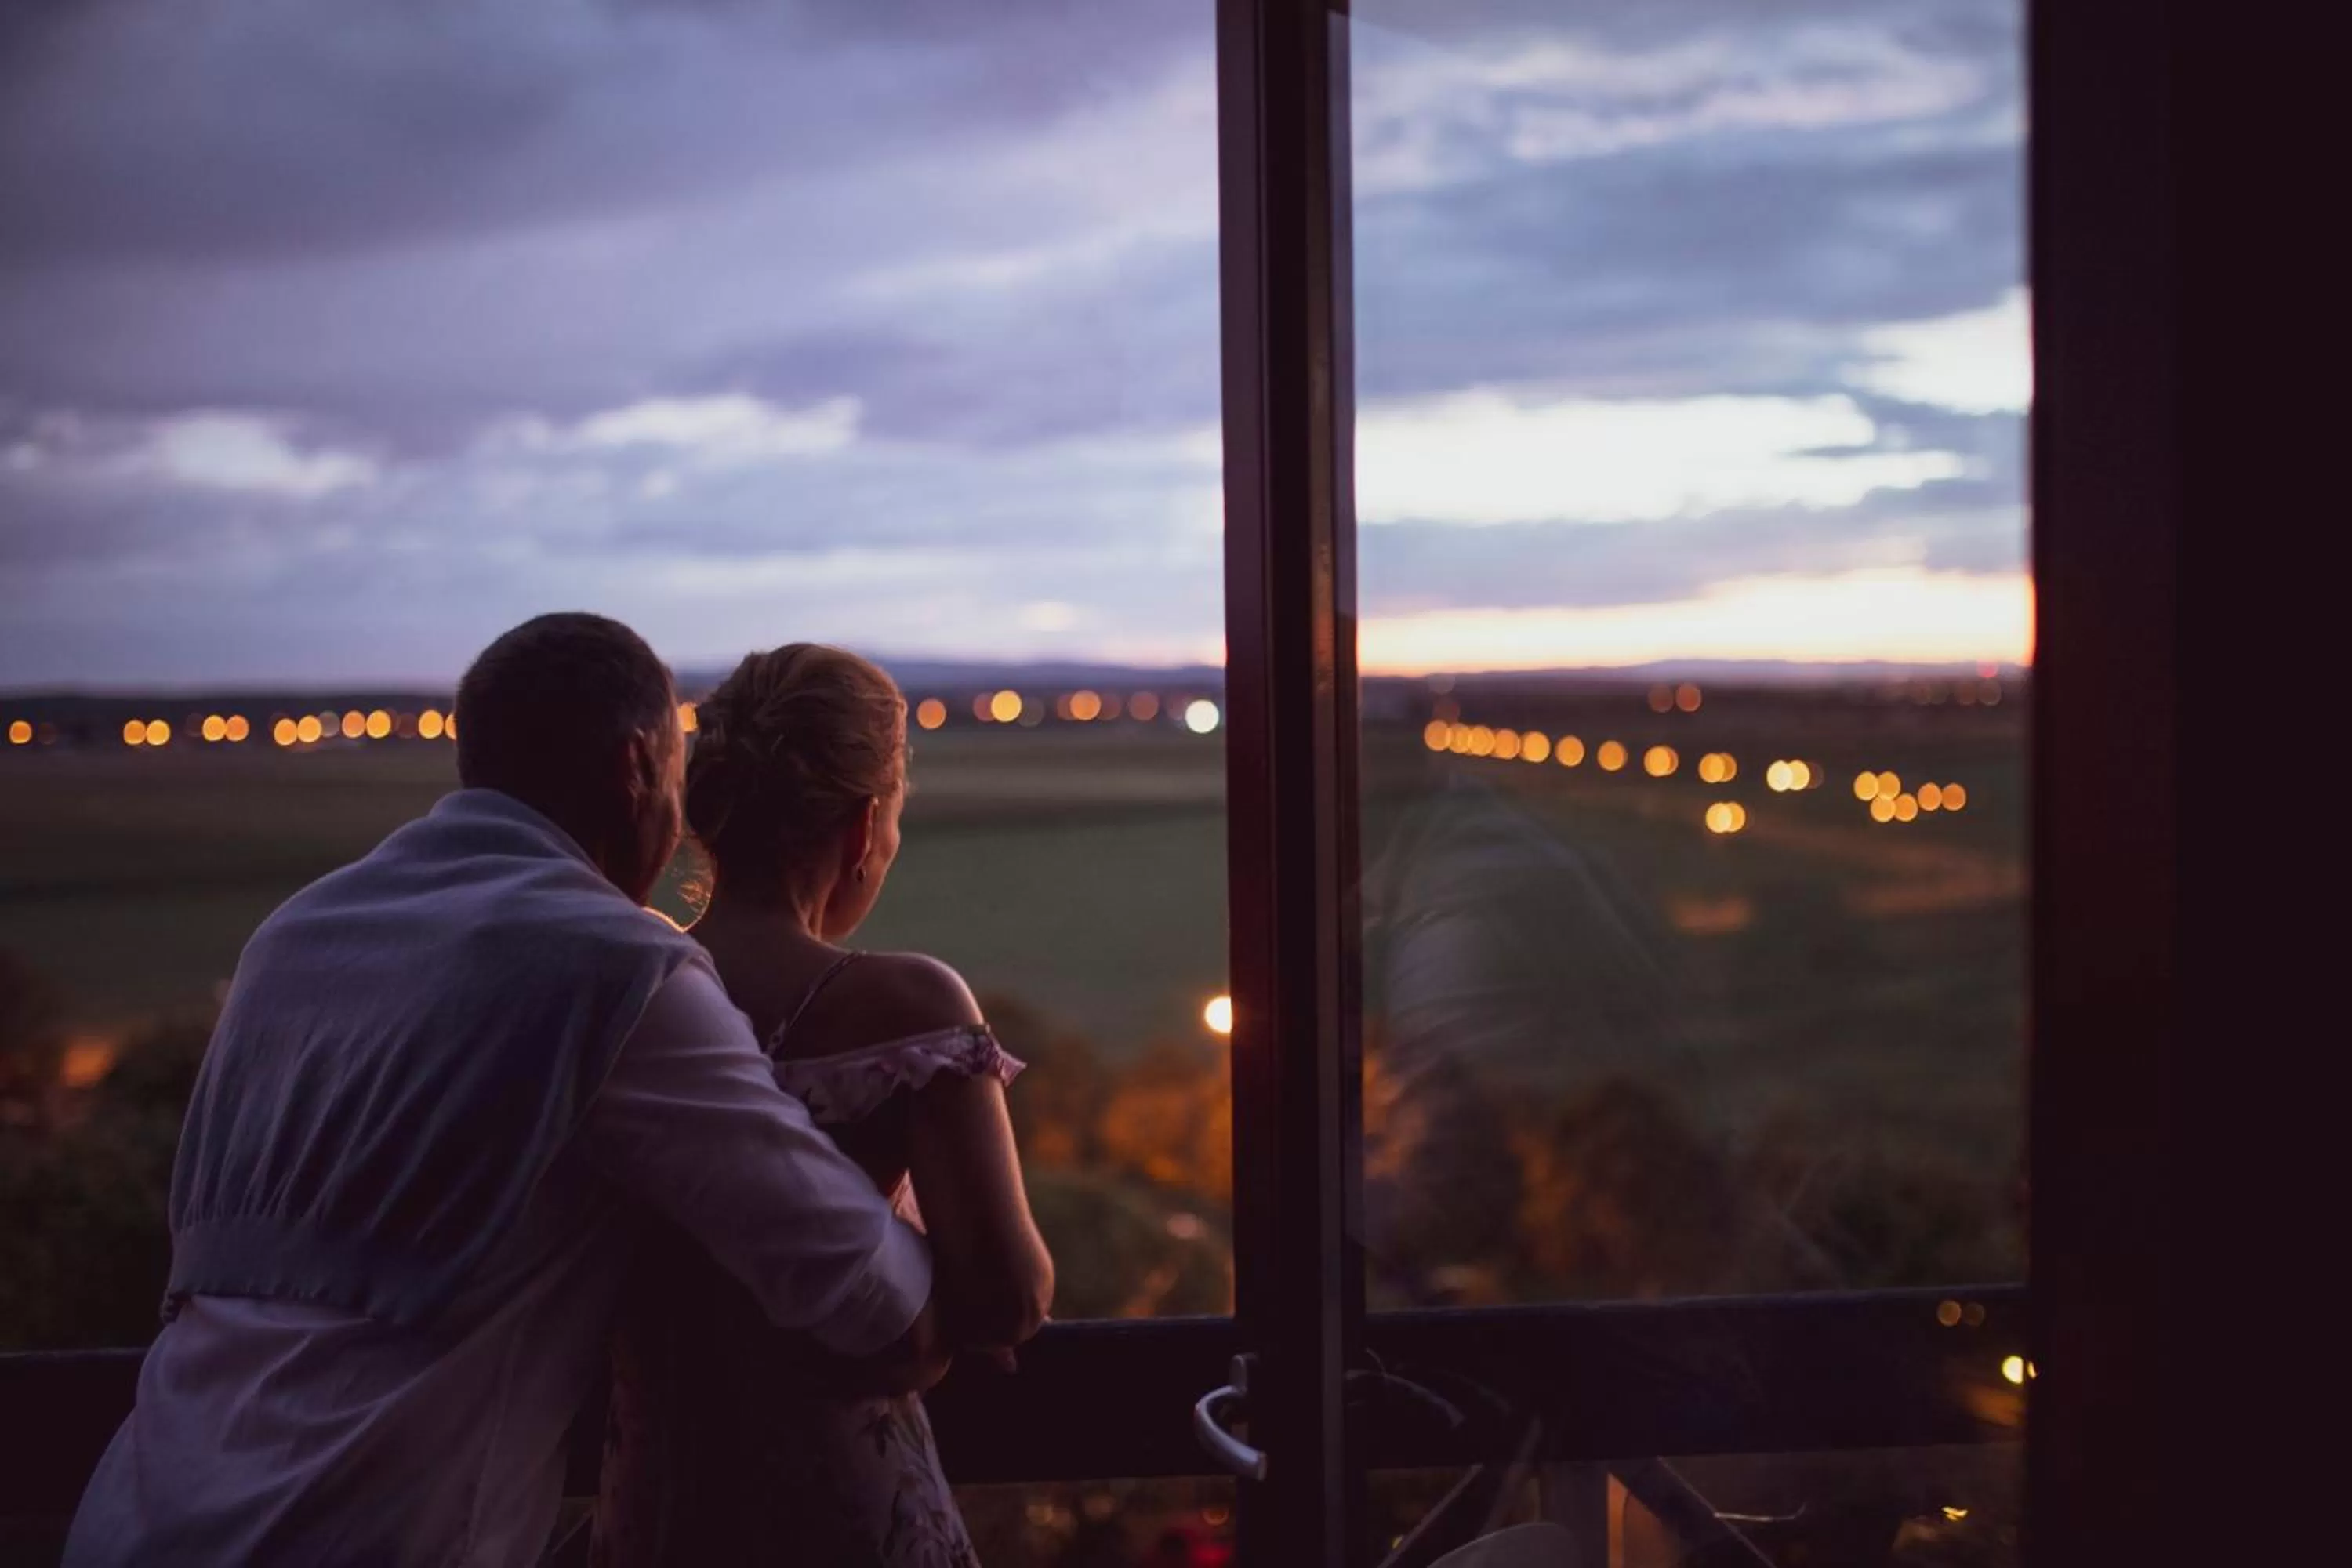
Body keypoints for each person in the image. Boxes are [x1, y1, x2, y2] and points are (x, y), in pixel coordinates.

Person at [65, 613, 944, 1567]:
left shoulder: (295, 936)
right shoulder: (613, 967)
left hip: (131, 1518)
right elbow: (874, 1301)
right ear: (638, 765)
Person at [595, 643, 1054, 1568]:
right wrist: (940, 1288)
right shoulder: (911, 1007)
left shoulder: (615, 990)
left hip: (657, 1502)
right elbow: (1010, 1294)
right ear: (863, 826)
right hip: (848, 1509)